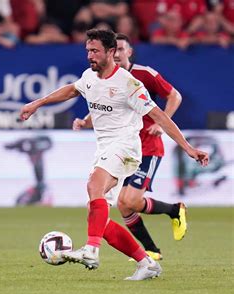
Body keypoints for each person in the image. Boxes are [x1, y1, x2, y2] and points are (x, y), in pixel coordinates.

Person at [19, 29, 209, 280]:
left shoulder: (129, 85)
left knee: (93, 185)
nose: (90, 56)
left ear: (110, 52)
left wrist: (188, 148)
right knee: (100, 219)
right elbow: (72, 90)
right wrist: (36, 104)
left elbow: (159, 116)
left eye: (95, 51)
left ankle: (91, 250)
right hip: (105, 148)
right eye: (88, 50)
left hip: (126, 146)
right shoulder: (89, 76)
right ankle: (146, 263)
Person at [72, 33, 184, 261]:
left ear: (126, 52)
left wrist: (163, 128)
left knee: (127, 201)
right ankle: (149, 253)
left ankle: (173, 212)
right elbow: (103, 107)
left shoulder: (141, 76)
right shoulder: (99, 77)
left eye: (123, 49)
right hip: (116, 148)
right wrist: (85, 121)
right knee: (118, 206)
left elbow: (173, 96)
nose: (120, 54)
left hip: (146, 148)